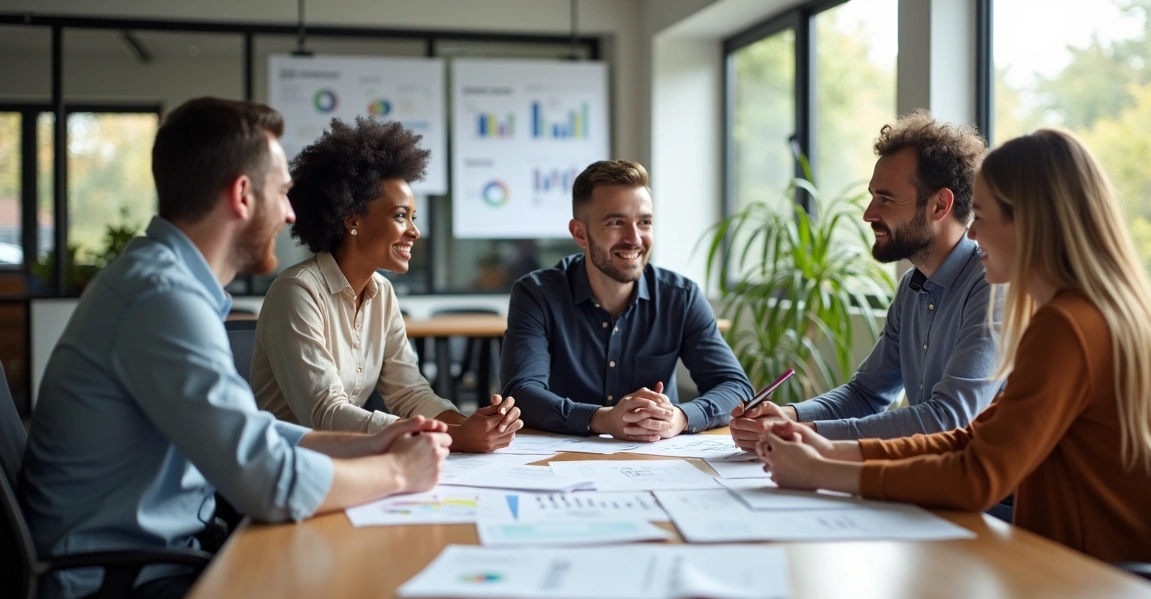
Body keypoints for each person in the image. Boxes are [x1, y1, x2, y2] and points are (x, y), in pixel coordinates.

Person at [18, 98, 452, 599]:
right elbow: (266, 481)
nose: (292, 214)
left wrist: (373, 443)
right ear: (243, 196)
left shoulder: (168, 286)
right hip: (110, 592)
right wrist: (398, 472)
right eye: (281, 193)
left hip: (157, 561)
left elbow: (254, 433)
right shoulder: (161, 299)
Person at [755, 128, 1151, 565]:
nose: (974, 234)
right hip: (1081, 567)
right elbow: (972, 440)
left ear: (1029, 221)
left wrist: (823, 469)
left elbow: (977, 474)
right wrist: (829, 451)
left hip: (1100, 585)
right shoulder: (1085, 313)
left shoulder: (1068, 325)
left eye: (981, 217)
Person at [730, 111, 1002, 450]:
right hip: (927, 482)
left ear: (939, 205)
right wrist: (790, 416)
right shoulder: (911, 286)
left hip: (990, 501)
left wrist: (809, 434)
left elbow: (948, 419)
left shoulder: (993, 285)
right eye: (873, 196)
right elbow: (867, 393)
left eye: (886, 199)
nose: (868, 214)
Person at [250, 117, 522, 453]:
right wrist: (449, 436)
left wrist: (466, 424)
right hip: (289, 467)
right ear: (352, 220)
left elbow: (409, 392)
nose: (414, 231)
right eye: (399, 216)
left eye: (413, 217)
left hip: (351, 458)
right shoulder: (297, 291)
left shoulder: (383, 293)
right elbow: (324, 413)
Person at [500, 160, 752, 440]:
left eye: (644, 222)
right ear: (580, 234)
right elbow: (520, 393)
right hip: (562, 460)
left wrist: (680, 417)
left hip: (657, 461)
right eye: (616, 223)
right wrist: (602, 419)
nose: (634, 239)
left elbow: (735, 387)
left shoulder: (680, 297)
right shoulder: (537, 295)